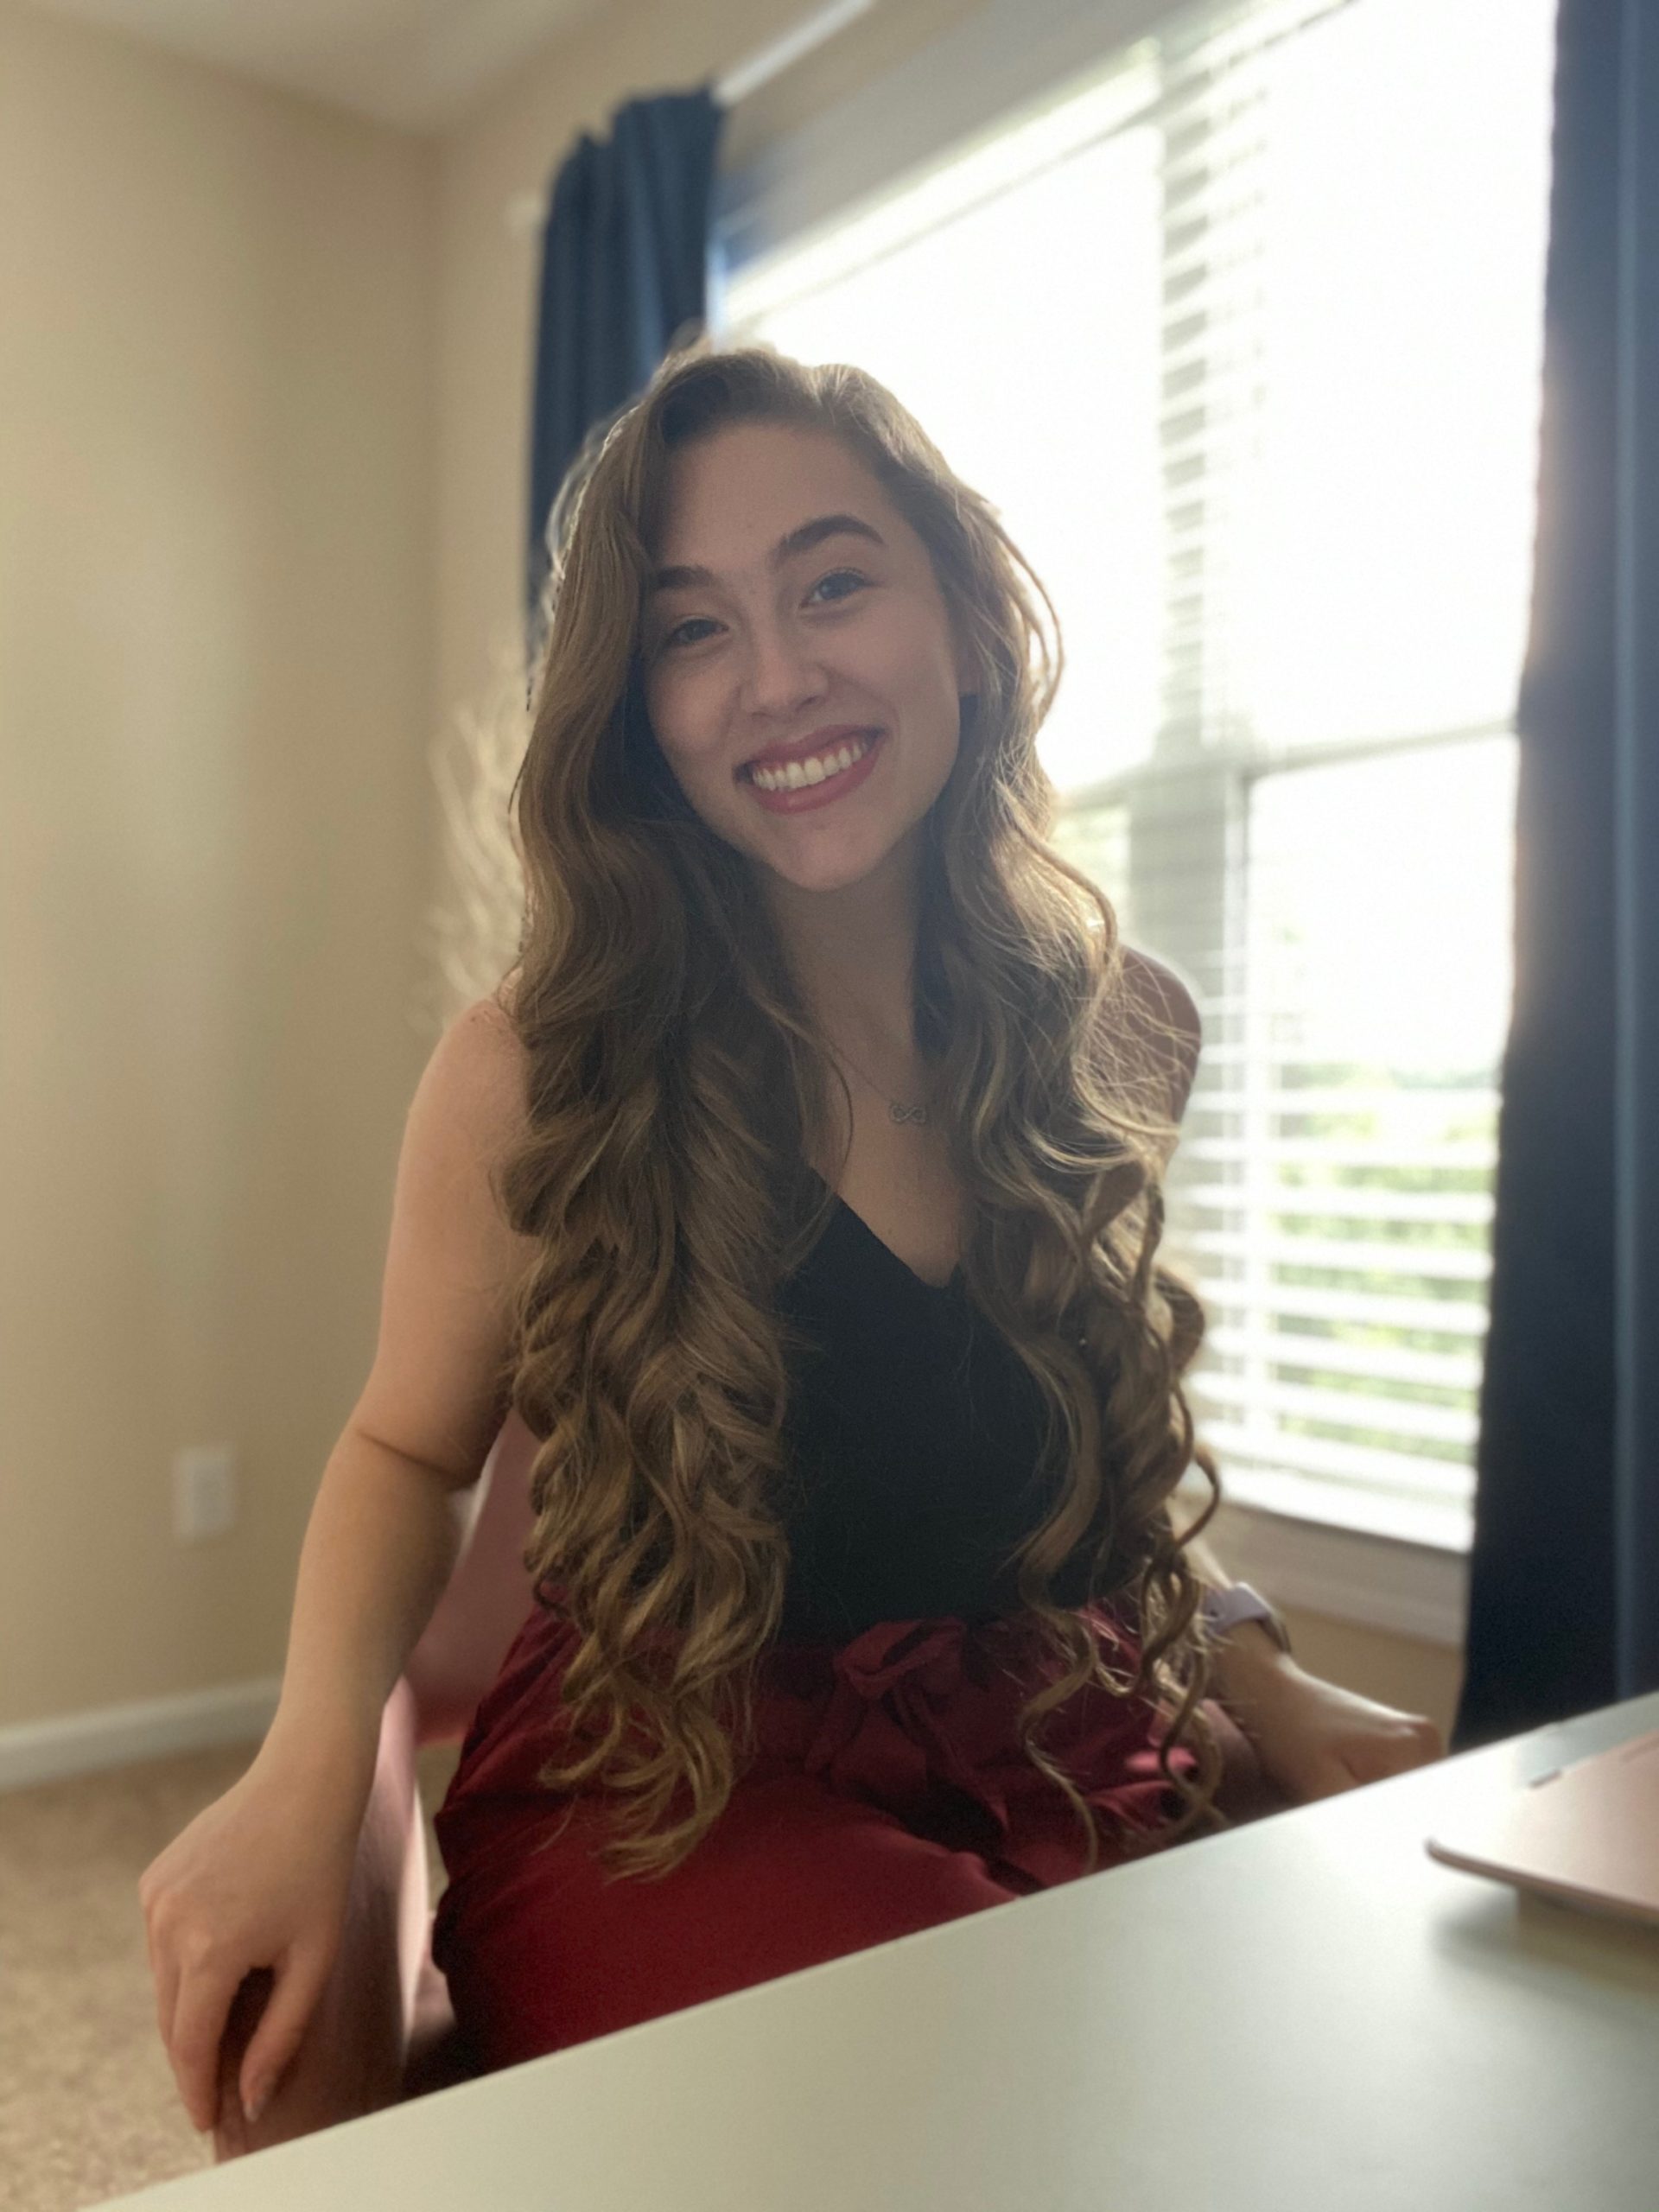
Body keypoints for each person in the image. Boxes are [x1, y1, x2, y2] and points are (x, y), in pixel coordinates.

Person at [139, 340, 1444, 2135]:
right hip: (674, 1785)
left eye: (834, 581)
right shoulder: (536, 1069)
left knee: (1325, 2070)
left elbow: (1093, 1465)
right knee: (1010, 2109)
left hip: (1054, 1733)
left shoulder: (1123, 1023)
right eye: (692, 629)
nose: (777, 676)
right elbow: (403, 1444)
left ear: (966, 618)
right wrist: (304, 1766)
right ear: (641, 707)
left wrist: (1250, 1654)